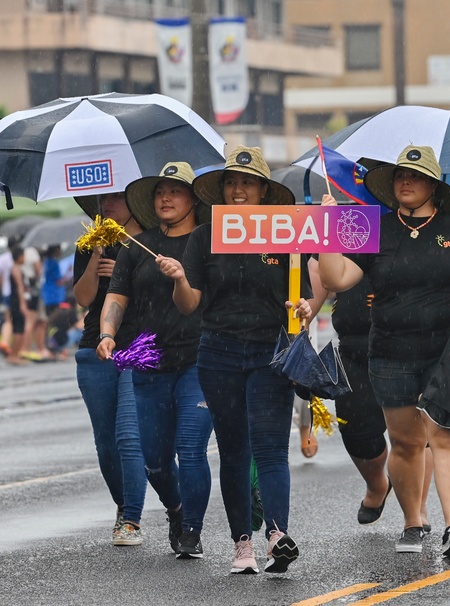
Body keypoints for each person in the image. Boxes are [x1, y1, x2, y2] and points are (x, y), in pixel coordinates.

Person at [318, 145, 450, 557]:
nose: (405, 181)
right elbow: (339, 277)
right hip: (390, 350)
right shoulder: (376, 230)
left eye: (415, 176)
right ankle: (413, 522)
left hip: (448, 350)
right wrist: (328, 230)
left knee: (447, 438)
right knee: (405, 443)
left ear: (434, 187)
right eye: (401, 175)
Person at [166, 146, 310, 575]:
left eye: (248, 182)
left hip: (271, 350)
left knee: (270, 449)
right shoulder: (205, 235)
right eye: (231, 182)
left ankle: (278, 536)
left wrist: (305, 308)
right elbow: (189, 304)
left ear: (264, 190)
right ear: (222, 190)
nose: (238, 189)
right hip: (219, 353)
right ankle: (242, 545)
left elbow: (305, 291)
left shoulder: (285, 232)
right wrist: (178, 279)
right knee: (232, 450)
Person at [99, 162, 214, 559]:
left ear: (194, 200)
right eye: (160, 191)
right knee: (154, 460)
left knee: (191, 447)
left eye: (175, 191)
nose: (165, 197)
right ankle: (177, 509)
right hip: (146, 357)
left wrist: (182, 275)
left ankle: (192, 531)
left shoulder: (209, 243)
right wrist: (108, 333)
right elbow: (116, 297)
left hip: (200, 358)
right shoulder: (136, 246)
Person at [307, 258, 436, 530]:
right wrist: (300, 320)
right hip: (354, 347)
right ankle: (377, 484)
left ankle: (417, 511)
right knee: (356, 431)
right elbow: (320, 274)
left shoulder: (408, 225)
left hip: (407, 344)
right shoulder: (345, 223)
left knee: (415, 435)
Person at [73, 190, 149, 546]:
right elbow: (84, 298)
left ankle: (134, 517)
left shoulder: (150, 238)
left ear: (134, 199)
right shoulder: (91, 242)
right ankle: (123, 506)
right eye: (102, 198)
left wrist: (125, 269)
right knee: (106, 443)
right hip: (95, 349)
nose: (107, 204)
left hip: (139, 345)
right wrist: (95, 260)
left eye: (116, 197)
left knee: (129, 437)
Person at [6, 246, 30, 366]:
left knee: (19, 327)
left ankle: (15, 354)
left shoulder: (17, 269)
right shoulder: (15, 269)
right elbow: (19, 288)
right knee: (19, 328)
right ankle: (14, 355)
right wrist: (22, 304)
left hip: (15, 301)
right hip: (16, 302)